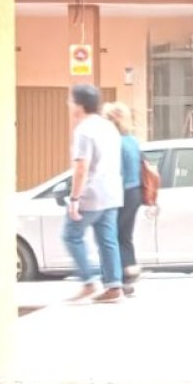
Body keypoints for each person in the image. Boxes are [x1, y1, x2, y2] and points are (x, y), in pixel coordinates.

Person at [62, 83, 124, 303]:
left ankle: (88, 281)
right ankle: (114, 286)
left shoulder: (84, 130)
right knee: (107, 240)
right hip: (112, 192)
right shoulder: (109, 127)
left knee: (70, 235)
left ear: (79, 105)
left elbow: (82, 168)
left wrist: (74, 199)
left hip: (91, 193)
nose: (69, 104)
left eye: (71, 100)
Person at [106, 101, 144, 297]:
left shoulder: (115, 143)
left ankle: (118, 278)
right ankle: (129, 270)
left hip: (121, 192)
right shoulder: (133, 141)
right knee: (125, 235)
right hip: (135, 192)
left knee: (112, 236)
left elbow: (115, 172)